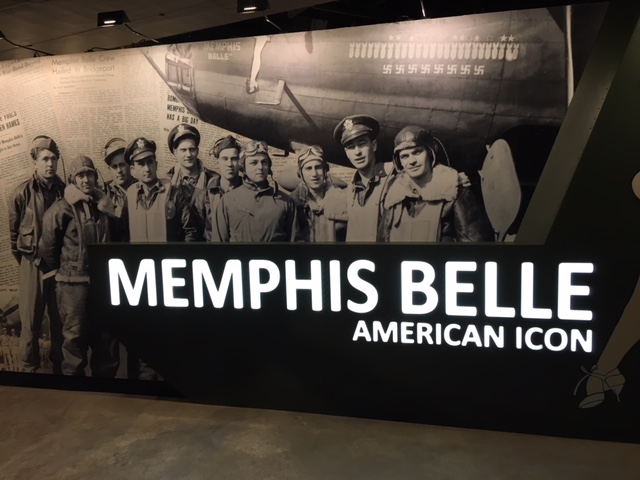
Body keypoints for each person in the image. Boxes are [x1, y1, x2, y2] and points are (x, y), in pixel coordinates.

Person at [39, 156, 119, 377]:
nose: (86, 180)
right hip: (73, 287)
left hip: (103, 286)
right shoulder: (61, 209)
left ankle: (106, 396)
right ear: (72, 179)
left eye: (90, 174)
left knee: (106, 340)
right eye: (80, 175)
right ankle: (76, 396)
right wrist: (65, 271)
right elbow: (47, 247)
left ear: (95, 176)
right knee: (74, 340)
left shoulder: (105, 207)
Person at [8, 135, 65, 373]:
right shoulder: (20, 194)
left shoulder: (65, 191)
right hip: (32, 266)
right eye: (44, 159)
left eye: (53, 159)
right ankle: (29, 373)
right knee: (30, 324)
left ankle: (59, 372)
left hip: (60, 266)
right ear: (35, 162)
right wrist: (31, 263)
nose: (49, 164)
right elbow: (14, 239)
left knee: (60, 323)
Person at [380, 126, 494, 242]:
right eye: (404, 156)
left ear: (430, 153)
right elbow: (383, 244)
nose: (412, 161)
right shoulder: (393, 200)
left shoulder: (455, 193)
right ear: (399, 162)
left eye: (417, 152)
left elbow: (475, 244)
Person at [213, 140, 298, 242]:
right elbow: (218, 245)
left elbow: (295, 243)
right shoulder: (227, 201)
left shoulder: (285, 202)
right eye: (254, 163)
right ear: (243, 167)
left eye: (264, 162)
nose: (260, 167)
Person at [124, 137, 199, 243]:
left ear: (156, 164)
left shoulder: (174, 193)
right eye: (141, 164)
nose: (147, 169)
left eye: (150, 162)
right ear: (132, 170)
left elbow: (190, 231)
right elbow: (123, 233)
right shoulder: (130, 196)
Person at [333, 114, 393, 242]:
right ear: (346, 153)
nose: (357, 152)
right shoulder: (350, 190)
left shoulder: (393, 177)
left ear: (374, 145)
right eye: (351, 147)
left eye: (362, 144)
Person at [289, 145, 348, 242]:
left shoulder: (343, 199)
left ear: (325, 171)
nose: (314, 174)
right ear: (301, 174)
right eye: (308, 168)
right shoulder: (293, 204)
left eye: (318, 167)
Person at [192, 135, 242, 241]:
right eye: (225, 159)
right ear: (217, 162)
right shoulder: (204, 196)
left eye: (234, 159)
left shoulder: (248, 191)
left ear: (240, 162)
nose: (229, 164)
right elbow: (195, 233)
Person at [166, 124, 216, 200]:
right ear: (175, 152)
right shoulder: (167, 180)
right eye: (183, 150)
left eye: (192, 149)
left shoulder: (213, 179)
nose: (188, 155)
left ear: (197, 151)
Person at [102, 137, 135, 241]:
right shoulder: (104, 193)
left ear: (130, 165)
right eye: (114, 167)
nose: (119, 170)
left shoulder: (141, 188)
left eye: (122, 165)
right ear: (109, 169)